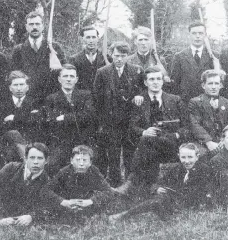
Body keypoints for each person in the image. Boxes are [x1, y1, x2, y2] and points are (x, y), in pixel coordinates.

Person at [115, 66, 190, 194]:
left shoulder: (175, 100)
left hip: (170, 143)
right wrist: (144, 131)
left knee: (146, 142)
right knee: (147, 140)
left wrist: (176, 135)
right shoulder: (139, 101)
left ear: (162, 81)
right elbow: (132, 126)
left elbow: (187, 126)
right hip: (148, 145)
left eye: (158, 79)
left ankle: (131, 182)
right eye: (151, 79)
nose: (155, 82)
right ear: (145, 82)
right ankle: (148, 187)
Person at [108, 143, 212, 222]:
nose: (187, 161)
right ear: (179, 156)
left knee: (158, 202)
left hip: (191, 203)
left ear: (197, 157)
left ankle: (123, 215)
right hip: (173, 199)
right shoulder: (177, 168)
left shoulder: (204, 170)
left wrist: (174, 194)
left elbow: (199, 192)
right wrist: (157, 188)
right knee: (157, 200)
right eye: (183, 157)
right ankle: (125, 215)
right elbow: (159, 182)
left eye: (190, 157)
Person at [92, 41, 144, 186]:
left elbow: (142, 90)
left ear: (128, 56)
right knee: (113, 156)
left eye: (123, 56)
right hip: (111, 122)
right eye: (116, 56)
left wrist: (139, 95)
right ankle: (114, 186)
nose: (119, 59)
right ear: (111, 55)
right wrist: (102, 122)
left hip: (130, 122)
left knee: (130, 155)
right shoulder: (102, 72)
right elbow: (97, 98)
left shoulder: (136, 70)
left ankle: (129, 185)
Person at [39, 145, 114, 223]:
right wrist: (64, 202)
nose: (81, 164)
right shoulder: (64, 172)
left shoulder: (94, 171)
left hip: (86, 207)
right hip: (66, 208)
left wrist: (90, 201)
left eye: (84, 160)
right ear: (71, 161)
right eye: (78, 160)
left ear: (90, 162)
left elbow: (109, 192)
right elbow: (45, 190)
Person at [45, 64, 96, 176]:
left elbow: (88, 116)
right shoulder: (51, 98)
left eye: (72, 76)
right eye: (65, 76)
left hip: (82, 139)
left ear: (76, 79)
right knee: (53, 165)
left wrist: (64, 117)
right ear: (59, 79)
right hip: (61, 141)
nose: (68, 79)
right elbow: (52, 121)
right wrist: (76, 117)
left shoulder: (85, 95)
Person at [11, 11, 66, 105]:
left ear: (43, 26)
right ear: (26, 27)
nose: (35, 27)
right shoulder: (18, 50)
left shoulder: (54, 48)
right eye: (31, 24)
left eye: (37, 24)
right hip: (27, 100)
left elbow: (63, 73)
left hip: (51, 98)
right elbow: (14, 75)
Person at [188, 70, 228, 162]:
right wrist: (208, 142)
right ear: (203, 85)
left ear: (220, 85)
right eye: (210, 83)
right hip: (203, 142)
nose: (214, 87)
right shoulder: (195, 102)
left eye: (216, 83)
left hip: (223, 141)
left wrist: (224, 140)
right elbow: (195, 125)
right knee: (201, 154)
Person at [0, 71, 44, 162]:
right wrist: (26, 117)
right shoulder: (2, 104)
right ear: (10, 88)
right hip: (8, 141)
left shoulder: (36, 102)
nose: (19, 88)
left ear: (27, 87)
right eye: (15, 85)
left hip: (30, 139)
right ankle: (28, 162)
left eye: (22, 85)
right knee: (13, 133)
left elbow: (37, 120)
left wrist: (15, 118)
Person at [170, 22, 215, 103]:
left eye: (200, 33)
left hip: (208, 102)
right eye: (194, 33)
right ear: (189, 35)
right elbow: (175, 84)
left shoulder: (213, 56)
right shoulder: (179, 56)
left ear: (205, 35)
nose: (197, 36)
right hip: (186, 102)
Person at [68, 26, 108, 91]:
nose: (91, 41)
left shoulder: (107, 58)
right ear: (82, 39)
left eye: (93, 37)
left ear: (98, 38)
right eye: (88, 37)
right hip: (82, 98)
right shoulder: (74, 59)